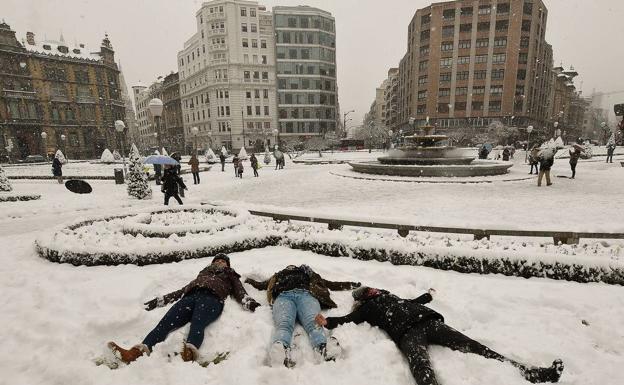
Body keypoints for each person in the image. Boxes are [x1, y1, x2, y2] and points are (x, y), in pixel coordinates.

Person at [316, 287, 564, 385]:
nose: (374, 289)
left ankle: (530, 372)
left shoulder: (393, 298)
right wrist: (328, 321)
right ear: (365, 298)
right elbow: (347, 320)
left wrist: (426, 296)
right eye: (368, 290)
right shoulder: (369, 309)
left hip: (429, 322)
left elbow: (414, 301)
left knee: (474, 346)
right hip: (408, 333)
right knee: (420, 365)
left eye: (372, 287)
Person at [107, 254, 261, 364]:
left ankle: (189, 352)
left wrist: (250, 303)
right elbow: (182, 291)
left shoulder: (231, 275)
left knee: (197, 322)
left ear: (227, 265)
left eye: (223, 261)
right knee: (164, 324)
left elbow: (240, 291)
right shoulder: (202, 274)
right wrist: (160, 300)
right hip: (190, 298)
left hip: (212, 300)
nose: (220, 262)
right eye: (218, 260)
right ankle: (136, 352)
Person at [245, 265, 360, 367]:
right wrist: (249, 281)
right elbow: (262, 285)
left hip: (305, 295)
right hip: (283, 297)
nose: (290, 267)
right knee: (284, 324)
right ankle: (280, 350)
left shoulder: (305, 271)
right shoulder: (278, 275)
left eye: (292, 267)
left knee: (313, 321)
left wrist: (350, 285)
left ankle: (322, 348)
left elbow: (328, 283)